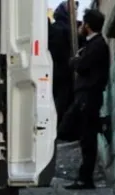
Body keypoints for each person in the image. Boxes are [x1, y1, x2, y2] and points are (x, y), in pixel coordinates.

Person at [64, 9, 110, 190]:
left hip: (88, 96)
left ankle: (85, 178)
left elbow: (82, 66)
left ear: (88, 26)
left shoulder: (97, 45)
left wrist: (75, 61)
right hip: (85, 95)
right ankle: (101, 125)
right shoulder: (92, 44)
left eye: (83, 24)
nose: (81, 27)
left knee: (86, 137)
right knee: (81, 133)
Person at [48, 2, 77, 137]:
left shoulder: (54, 28)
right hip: (65, 71)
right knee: (64, 101)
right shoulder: (67, 29)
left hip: (54, 71)